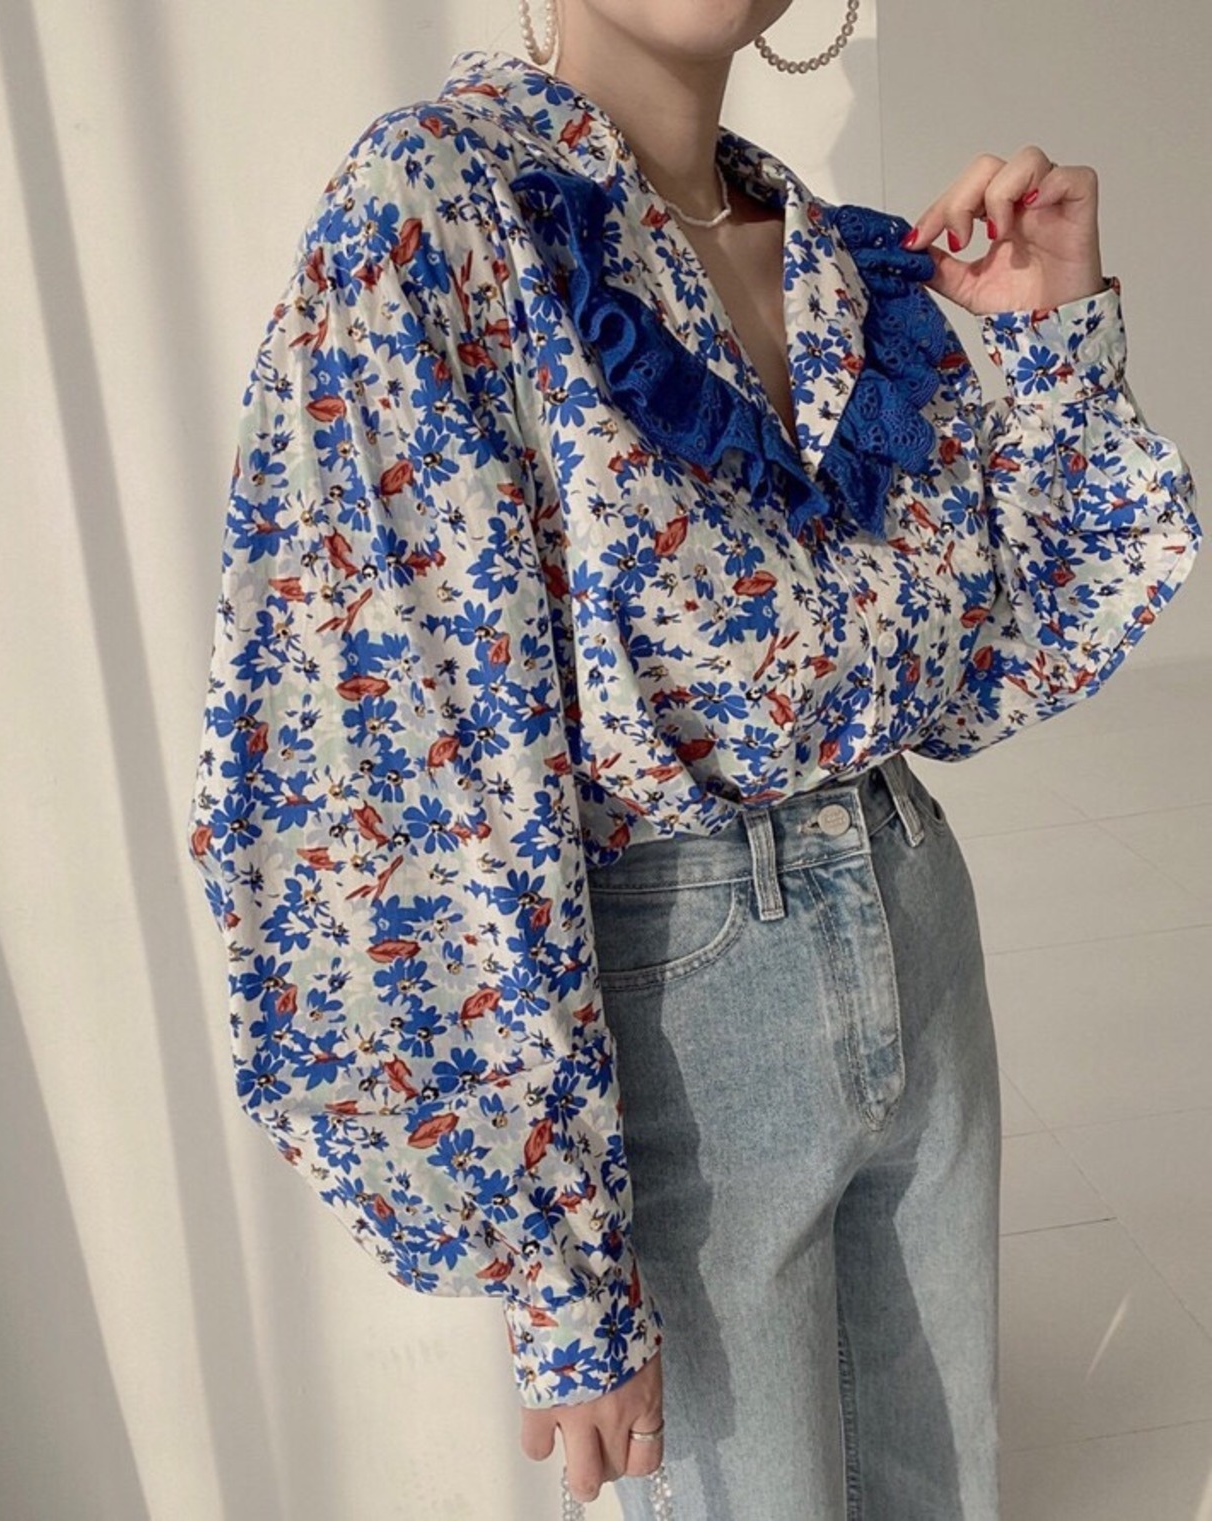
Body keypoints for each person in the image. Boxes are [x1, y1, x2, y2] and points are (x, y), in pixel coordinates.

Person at [183, 2, 1202, 1516]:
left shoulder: (833, 260)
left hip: (918, 920)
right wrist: (563, 1272)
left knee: (946, 1493)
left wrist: (1052, 338)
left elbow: (995, 661)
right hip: (666, 1006)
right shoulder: (440, 207)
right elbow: (396, 770)